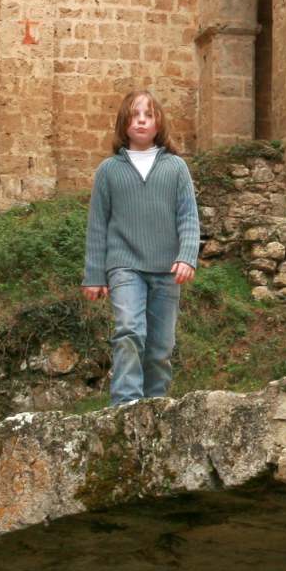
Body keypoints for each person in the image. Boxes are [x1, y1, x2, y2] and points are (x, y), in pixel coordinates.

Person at [82, 89, 200, 405]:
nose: (142, 121)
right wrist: (94, 275)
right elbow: (97, 225)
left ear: (159, 123)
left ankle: (155, 406)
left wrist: (187, 256)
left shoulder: (176, 168)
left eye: (148, 115)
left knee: (161, 346)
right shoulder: (109, 171)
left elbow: (188, 215)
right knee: (129, 332)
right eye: (135, 115)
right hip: (124, 266)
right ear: (124, 124)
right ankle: (125, 406)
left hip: (167, 271)